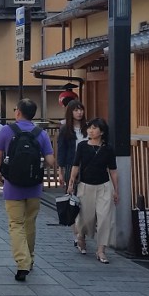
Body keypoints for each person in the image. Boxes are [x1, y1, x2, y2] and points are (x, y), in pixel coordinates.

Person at [0, 98, 56, 281]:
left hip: (13, 185)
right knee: (30, 223)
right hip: (34, 185)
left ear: (18, 112)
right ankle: (30, 258)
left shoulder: (7, 130)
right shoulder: (41, 133)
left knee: (16, 224)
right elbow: (51, 161)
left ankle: (23, 263)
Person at [67, 118, 119, 264]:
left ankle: (101, 250)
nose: (90, 130)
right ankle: (81, 237)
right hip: (85, 186)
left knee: (104, 219)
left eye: (94, 128)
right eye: (89, 128)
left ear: (102, 132)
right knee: (85, 218)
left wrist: (116, 190)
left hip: (104, 187)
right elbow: (76, 165)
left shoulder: (108, 149)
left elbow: (113, 171)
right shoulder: (82, 146)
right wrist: (71, 182)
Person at [57, 100, 88, 245]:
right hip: (71, 165)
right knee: (73, 200)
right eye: (76, 110)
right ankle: (76, 234)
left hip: (87, 166)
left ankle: (82, 231)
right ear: (70, 112)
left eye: (81, 110)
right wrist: (61, 171)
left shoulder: (89, 128)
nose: (79, 113)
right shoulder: (65, 130)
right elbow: (61, 152)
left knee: (85, 200)